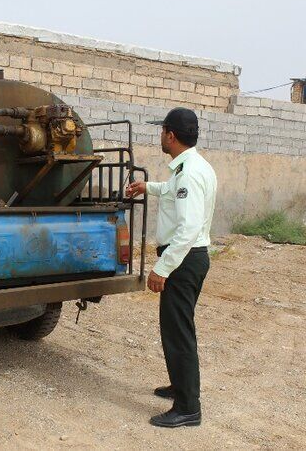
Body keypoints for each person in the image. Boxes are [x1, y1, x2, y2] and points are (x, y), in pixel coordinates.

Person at [125, 107, 217, 428]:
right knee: (177, 327)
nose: (160, 136)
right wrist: (147, 188)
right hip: (188, 257)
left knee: (179, 333)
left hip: (183, 259)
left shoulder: (189, 173)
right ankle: (180, 387)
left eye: (162, 131)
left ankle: (188, 407)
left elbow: (188, 228)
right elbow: (172, 192)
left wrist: (162, 268)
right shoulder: (191, 167)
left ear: (170, 135)